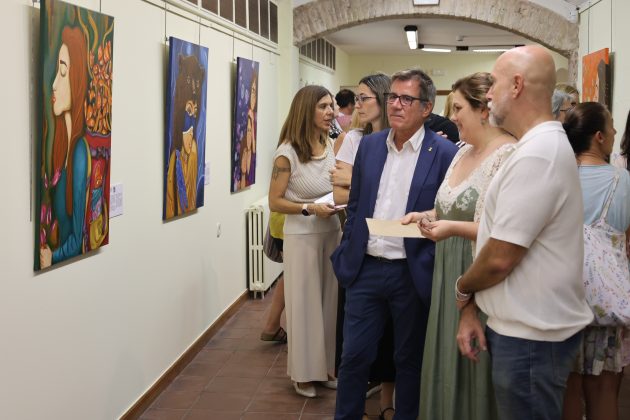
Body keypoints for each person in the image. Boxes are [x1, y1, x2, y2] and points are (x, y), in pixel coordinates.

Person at [455, 46, 594, 420]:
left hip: (531, 341)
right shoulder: (536, 146)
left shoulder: (538, 152)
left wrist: (463, 290)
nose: (488, 94)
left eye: (494, 83)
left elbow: (500, 258)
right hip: (525, 333)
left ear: (516, 85)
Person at [331, 69, 458, 420]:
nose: (396, 105)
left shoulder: (444, 152)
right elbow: (356, 202)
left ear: (426, 107)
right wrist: (349, 247)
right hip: (366, 268)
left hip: (411, 272)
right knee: (353, 357)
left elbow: (448, 209)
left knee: (409, 360)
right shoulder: (371, 146)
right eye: (392, 97)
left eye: (406, 99)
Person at [416, 72, 515, 420]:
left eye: (457, 108)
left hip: (477, 273)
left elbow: (504, 231)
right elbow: (453, 206)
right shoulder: (462, 152)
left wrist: (451, 228)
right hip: (447, 275)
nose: (452, 117)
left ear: (483, 109)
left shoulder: (507, 155)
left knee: (475, 369)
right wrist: (426, 215)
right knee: (445, 362)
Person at [331, 72, 396, 420]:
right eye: (356, 98)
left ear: (383, 99)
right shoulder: (353, 138)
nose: (357, 105)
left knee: (394, 342)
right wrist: (369, 185)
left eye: (363, 98)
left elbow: (398, 196)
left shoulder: (400, 140)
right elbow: (339, 194)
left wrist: (355, 179)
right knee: (354, 346)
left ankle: (387, 403)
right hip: (360, 249)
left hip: (395, 251)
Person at [269, 85, 340, 398]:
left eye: (332, 105)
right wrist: (308, 208)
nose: (330, 112)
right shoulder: (287, 153)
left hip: (331, 230)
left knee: (328, 302)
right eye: (323, 106)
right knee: (303, 304)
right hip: (302, 234)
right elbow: (274, 201)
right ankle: (302, 373)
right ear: (306, 110)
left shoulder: (330, 143)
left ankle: (325, 367)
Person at [562, 102, 630, 420]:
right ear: (599, 137)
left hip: (561, 298)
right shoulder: (623, 181)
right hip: (606, 302)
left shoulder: (556, 177)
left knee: (567, 388)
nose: (616, 131)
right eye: (611, 125)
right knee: (604, 390)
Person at [40, 26, 89, 269]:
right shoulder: (62, 152)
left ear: (77, 79)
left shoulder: (79, 153)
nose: (54, 84)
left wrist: (53, 258)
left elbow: (78, 240)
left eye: (62, 72)